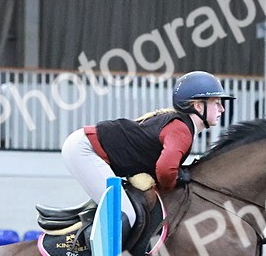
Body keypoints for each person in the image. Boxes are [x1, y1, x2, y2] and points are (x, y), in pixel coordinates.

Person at [60, 71, 232, 245]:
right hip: (84, 150)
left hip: (85, 147)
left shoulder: (181, 125)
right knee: (125, 214)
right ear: (199, 106)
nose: (222, 109)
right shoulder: (181, 130)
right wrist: (174, 181)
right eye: (217, 103)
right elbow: (165, 171)